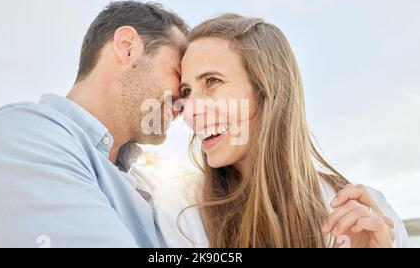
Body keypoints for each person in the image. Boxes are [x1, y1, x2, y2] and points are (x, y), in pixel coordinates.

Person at [153, 14, 409, 248]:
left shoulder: (370, 213)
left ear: (268, 91)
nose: (188, 111)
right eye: (186, 92)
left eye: (212, 81)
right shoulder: (180, 209)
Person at [0, 1, 188, 248]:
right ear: (127, 47)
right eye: (179, 75)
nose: (186, 101)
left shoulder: (152, 188)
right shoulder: (17, 135)